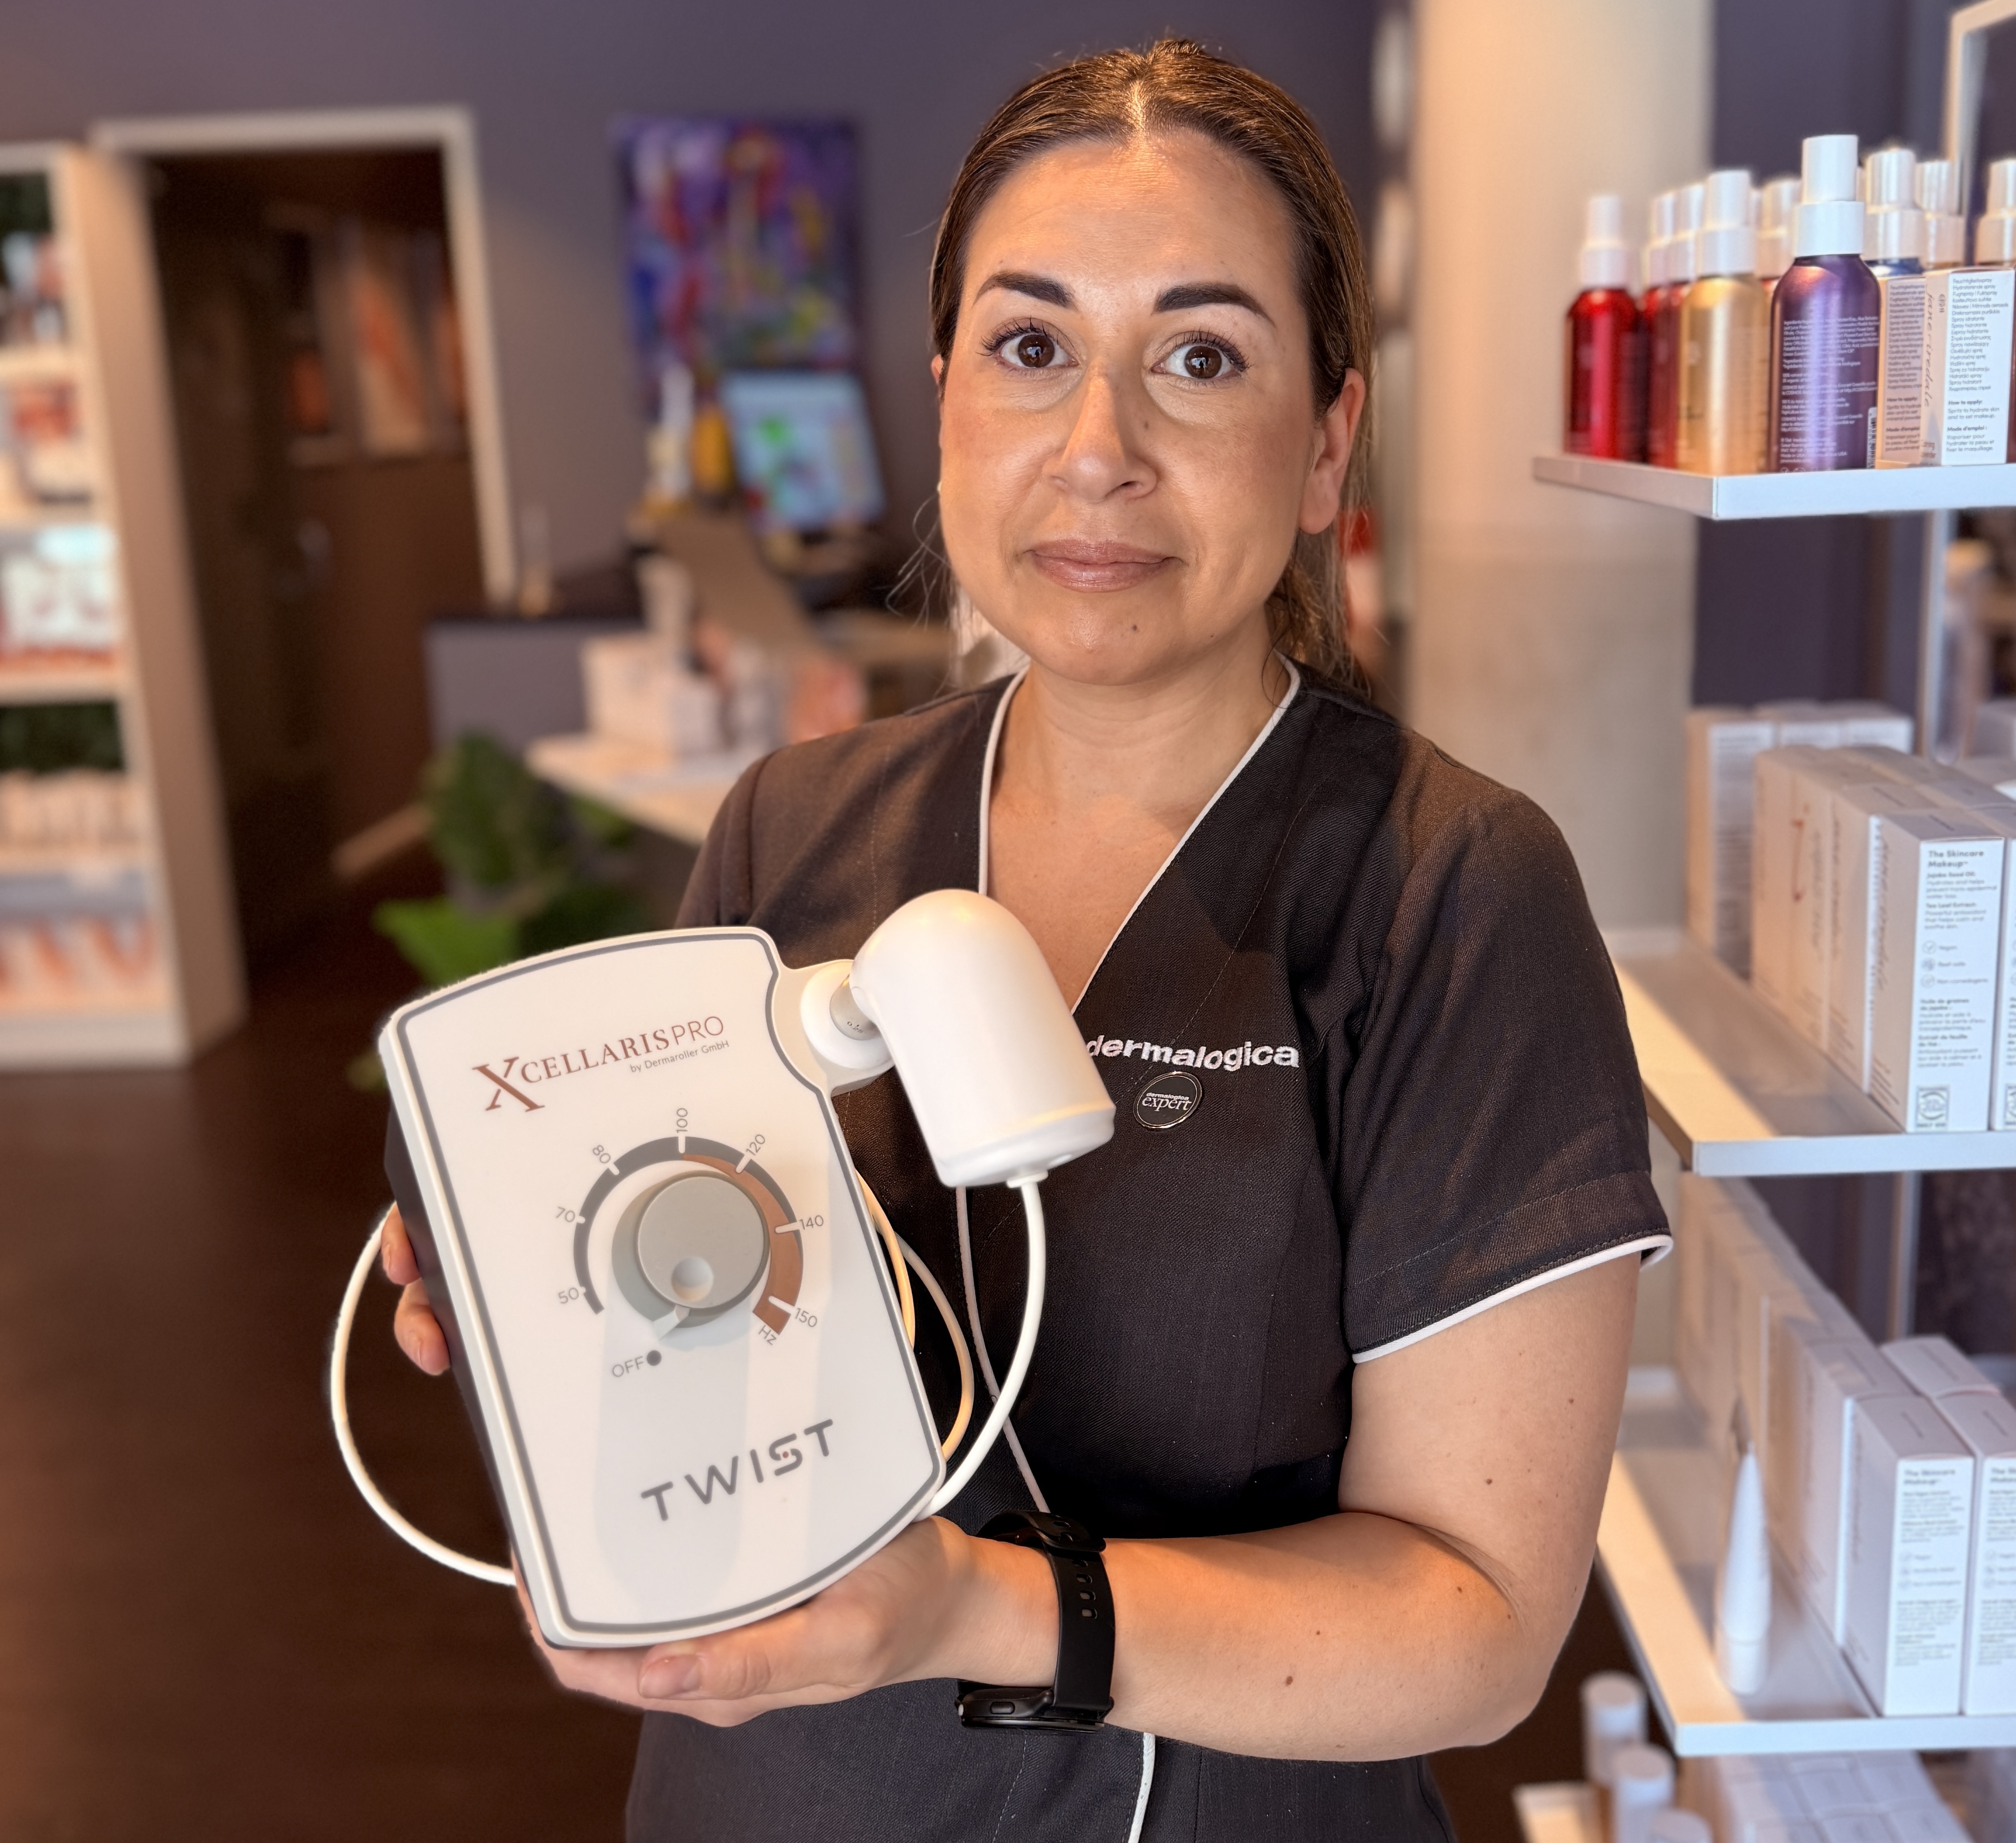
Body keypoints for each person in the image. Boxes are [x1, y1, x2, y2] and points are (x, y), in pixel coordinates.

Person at [381, 39, 1668, 1842]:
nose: (1097, 451)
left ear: (1325, 445)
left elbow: (1477, 1626)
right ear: (947, 407)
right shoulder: (792, 827)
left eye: (1200, 358)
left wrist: (975, 1611)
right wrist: (548, 1289)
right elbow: (694, 1334)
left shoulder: (1445, 892)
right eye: (1031, 347)